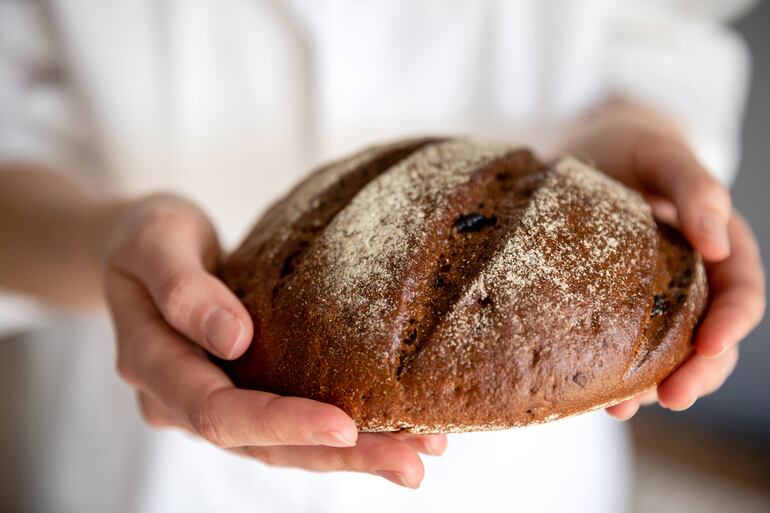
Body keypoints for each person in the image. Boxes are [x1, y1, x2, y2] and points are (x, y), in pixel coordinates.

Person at [0, 1, 764, 512]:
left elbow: (662, 33)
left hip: (526, 474)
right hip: (140, 469)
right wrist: (108, 243)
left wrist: (642, 134)